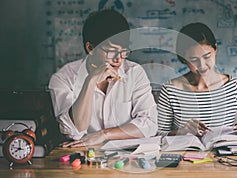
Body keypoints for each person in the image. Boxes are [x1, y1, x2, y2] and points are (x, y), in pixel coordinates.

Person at [49, 9, 157, 147]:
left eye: (124, 51)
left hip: (128, 157)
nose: (119, 59)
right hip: (86, 157)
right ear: (91, 48)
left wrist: (104, 134)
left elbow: (149, 124)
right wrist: (90, 81)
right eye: (112, 51)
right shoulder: (63, 79)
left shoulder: (134, 73)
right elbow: (73, 132)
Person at [157, 22, 237, 141]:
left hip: (223, 156)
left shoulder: (233, 86)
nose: (202, 65)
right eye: (194, 60)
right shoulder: (170, 89)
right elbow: (158, 134)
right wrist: (182, 132)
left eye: (207, 57)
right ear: (183, 59)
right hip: (184, 156)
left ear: (215, 49)